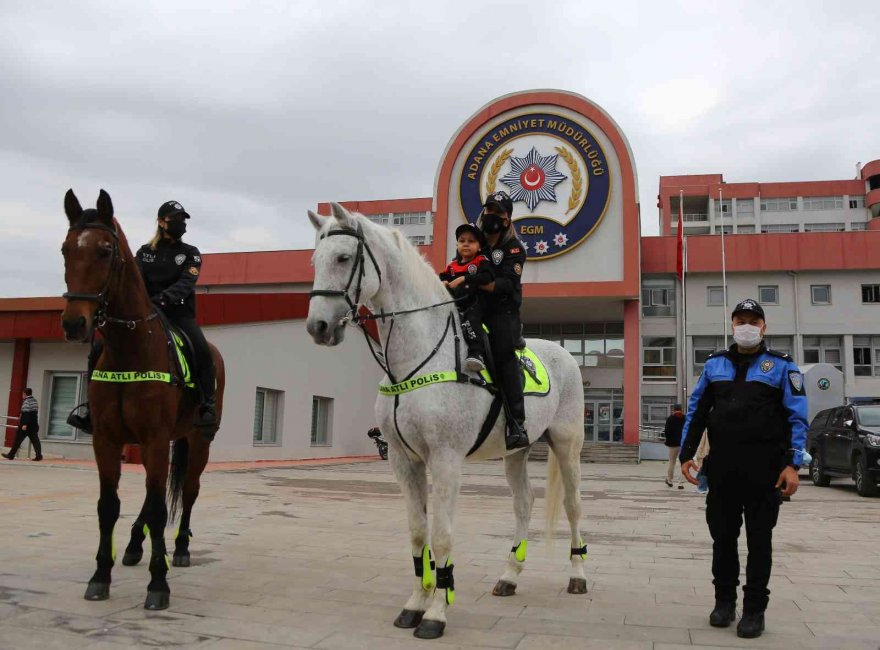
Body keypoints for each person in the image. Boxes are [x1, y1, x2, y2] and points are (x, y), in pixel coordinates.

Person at [679, 299, 807, 639]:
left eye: (753, 320)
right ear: (732, 324)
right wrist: (686, 455)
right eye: (741, 320)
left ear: (764, 327)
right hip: (722, 469)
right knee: (722, 540)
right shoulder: (714, 365)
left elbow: (797, 417)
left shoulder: (782, 367)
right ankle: (724, 602)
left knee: (759, 542)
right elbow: (697, 412)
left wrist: (793, 465)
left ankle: (754, 611)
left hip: (765, 471)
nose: (746, 326)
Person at [67, 200, 217, 437]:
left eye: (183, 219)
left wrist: (162, 300)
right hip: (145, 314)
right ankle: (90, 408)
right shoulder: (145, 253)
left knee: (202, 351)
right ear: (160, 222)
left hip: (178, 315)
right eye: (175, 219)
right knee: (97, 349)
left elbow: (186, 284)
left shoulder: (190, 253)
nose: (181, 224)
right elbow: (134, 283)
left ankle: (207, 406)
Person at [476, 191, 528, 450]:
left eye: (498, 213)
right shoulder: (475, 242)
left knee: (503, 355)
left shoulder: (514, 248)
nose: (492, 216)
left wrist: (482, 284)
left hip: (503, 312)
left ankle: (517, 423)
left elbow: (509, 283)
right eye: (489, 211)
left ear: (507, 219)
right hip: (474, 306)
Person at [439, 223, 494, 372]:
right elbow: (442, 276)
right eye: (462, 241)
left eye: (471, 241)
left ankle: (476, 353)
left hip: (477, 303)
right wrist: (442, 281)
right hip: (456, 304)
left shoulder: (481, 261)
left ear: (479, 246)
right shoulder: (452, 265)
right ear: (457, 245)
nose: (466, 244)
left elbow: (487, 277)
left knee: (471, 318)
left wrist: (465, 279)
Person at [2, 388, 42, 461]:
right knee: (35, 441)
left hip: (26, 425)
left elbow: (26, 413)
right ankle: (39, 455)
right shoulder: (35, 401)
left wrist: (24, 424)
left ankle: (11, 455)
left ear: (25, 394)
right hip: (34, 424)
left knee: (17, 440)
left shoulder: (26, 401)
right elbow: (34, 413)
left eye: (23, 394)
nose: (22, 395)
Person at [662, 404, 685, 489]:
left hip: (672, 445)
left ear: (674, 410)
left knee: (672, 462)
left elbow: (666, 431)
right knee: (682, 463)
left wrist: (669, 439)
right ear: (681, 409)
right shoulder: (685, 418)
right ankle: (681, 483)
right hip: (683, 444)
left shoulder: (670, 419)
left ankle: (670, 480)